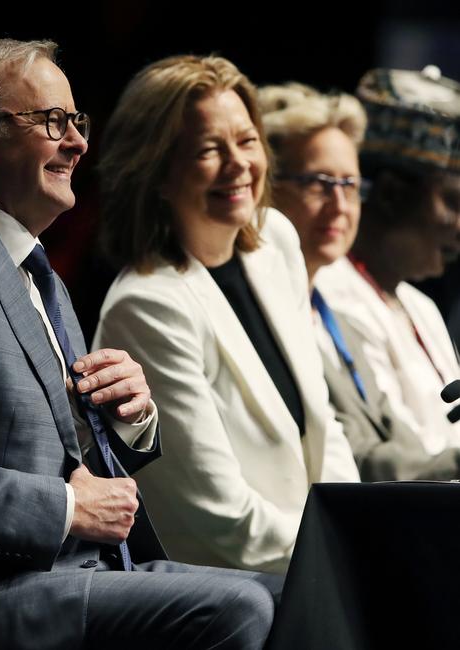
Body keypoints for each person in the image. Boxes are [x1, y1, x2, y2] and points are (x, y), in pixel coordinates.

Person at [0, 39, 281, 650]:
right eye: (53, 122)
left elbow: (66, 455)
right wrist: (63, 509)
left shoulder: (29, 263)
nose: (78, 142)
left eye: (76, 122)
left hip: (73, 572)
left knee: (286, 595)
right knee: (241, 608)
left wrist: (130, 417)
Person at [93, 55, 359, 576]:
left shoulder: (275, 241)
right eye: (210, 149)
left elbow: (324, 430)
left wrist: (364, 527)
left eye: (247, 140)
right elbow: (219, 518)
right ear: (157, 172)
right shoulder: (147, 306)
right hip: (238, 591)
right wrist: (349, 558)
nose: (239, 164)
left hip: (319, 567)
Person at [258, 82, 460, 480]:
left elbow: (399, 443)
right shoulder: (308, 298)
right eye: (319, 183)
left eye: (349, 185)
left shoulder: (336, 312)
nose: (340, 205)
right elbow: (359, 465)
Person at [315, 66, 460, 456]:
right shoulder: (327, 295)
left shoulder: (420, 305)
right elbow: (393, 464)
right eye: (453, 202)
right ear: (392, 194)